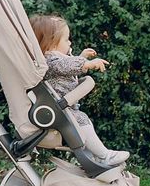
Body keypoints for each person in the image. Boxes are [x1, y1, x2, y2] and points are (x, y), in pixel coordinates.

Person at [29, 13, 129, 166]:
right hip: (58, 110)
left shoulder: (55, 58)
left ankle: (97, 158)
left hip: (63, 108)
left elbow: (67, 66)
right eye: (66, 39)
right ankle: (104, 156)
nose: (70, 43)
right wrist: (87, 64)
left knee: (83, 122)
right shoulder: (49, 60)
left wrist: (81, 57)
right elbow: (64, 66)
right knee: (82, 121)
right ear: (52, 43)